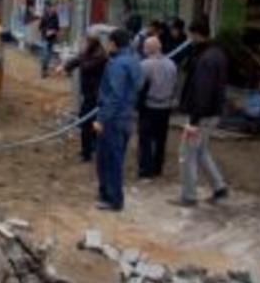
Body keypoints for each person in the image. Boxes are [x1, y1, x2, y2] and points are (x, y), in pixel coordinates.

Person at [175, 16, 230, 206]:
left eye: (190, 35)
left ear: (196, 34)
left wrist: (194, 121)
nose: (189, 38)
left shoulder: (206, 58)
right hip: (212, 112)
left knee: (187, 154)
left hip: (202, 114)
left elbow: (203, 90)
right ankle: (219, 187)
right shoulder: (216, 53)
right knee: (201, 151)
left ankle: (189, 196)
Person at [95, 29, 142, 211]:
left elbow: (114, 95)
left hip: (113, 119)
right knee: (116, 157)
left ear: (113, 43)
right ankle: (107, 193)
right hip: (128, 116)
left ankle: (113, 199)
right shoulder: (134, 61)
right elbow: (139, 85)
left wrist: (101, 118)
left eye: (108, 42)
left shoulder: (116, 65)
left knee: (108, 159)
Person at [58, 32, 108, 162]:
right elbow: (77, 60)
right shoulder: (90, 52)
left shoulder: (100, 56)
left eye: (86, 41)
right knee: (89, 121)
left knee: (86, 122)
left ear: (92, 42)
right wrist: (65, 66)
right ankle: (92, 146)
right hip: (89, 93)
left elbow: (85, 65)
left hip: (95, 94)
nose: (84, 44)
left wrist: (80, 57)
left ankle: (87, 152)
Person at [137, 36, 177, 178]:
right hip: (166, 106)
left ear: (148, 49)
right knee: (161, 138)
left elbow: (139, 86)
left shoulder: (145, 65)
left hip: (150, 105)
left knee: (146, 139)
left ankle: (145, 169)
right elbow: (174, 85)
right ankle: (158, 167)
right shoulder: (172, 64)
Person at [39, 3, 60, 78]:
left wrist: (55, 32)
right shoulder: (44, 16)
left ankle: (45, 70)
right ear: (50, 8)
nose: (55, 9)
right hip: (45, 38)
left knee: (49, 55)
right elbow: (40, 28)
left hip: (52, 39)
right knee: (45, 55)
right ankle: (43, 71)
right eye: (54, 7)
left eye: (56, 7)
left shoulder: (56, 16)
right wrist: (46, 31)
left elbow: (57, 27)